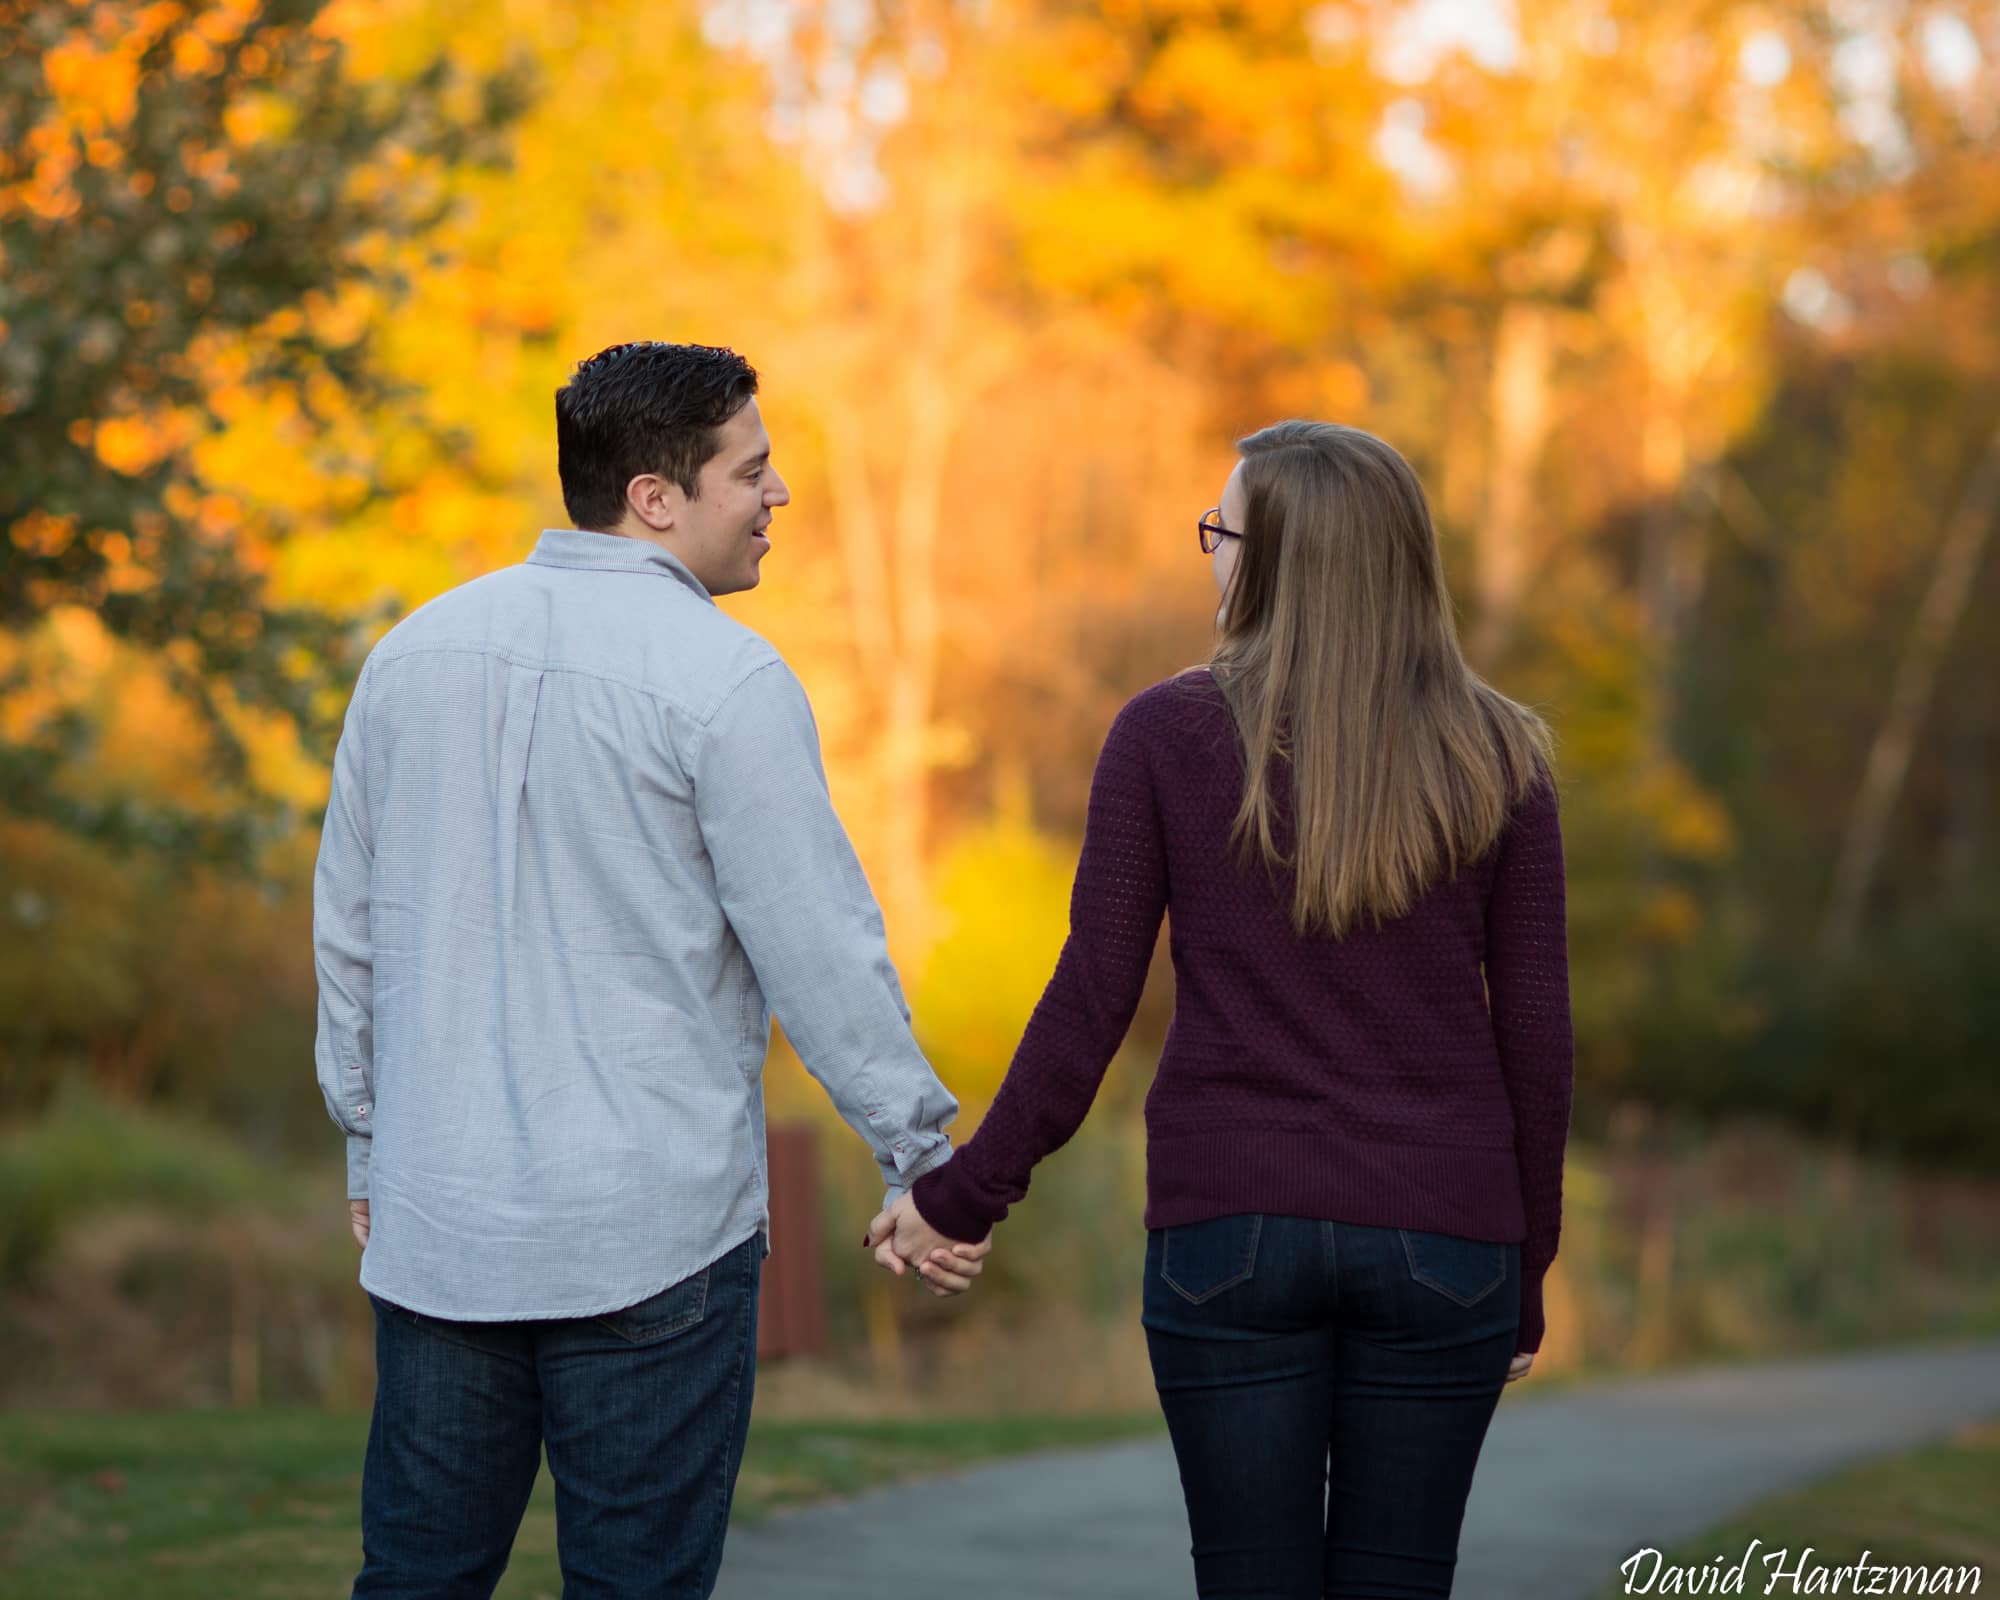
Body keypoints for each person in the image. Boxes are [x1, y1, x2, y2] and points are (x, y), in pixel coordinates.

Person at [313, 340, 988, 1600]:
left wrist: (368, 1142)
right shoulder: (725, 679)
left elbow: (349, 936)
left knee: (414, 1579)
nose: (776, 496)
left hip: (440, 1218)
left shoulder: (408, 657)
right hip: (651, 1238)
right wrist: (920, 1156)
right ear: (655, 496)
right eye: (754, 469)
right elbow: (819, 948)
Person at [876, 420, 1575, 1598]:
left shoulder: (1164, 733)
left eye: (1221, 531)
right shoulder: (1497, 750)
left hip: (1228, 1237)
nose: (1210, 556)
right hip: (1446, 1240)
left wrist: (961, 1192)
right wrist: (1527, 1261)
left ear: (1277, 560)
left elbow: (1091, 996)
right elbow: (1536, 1036)